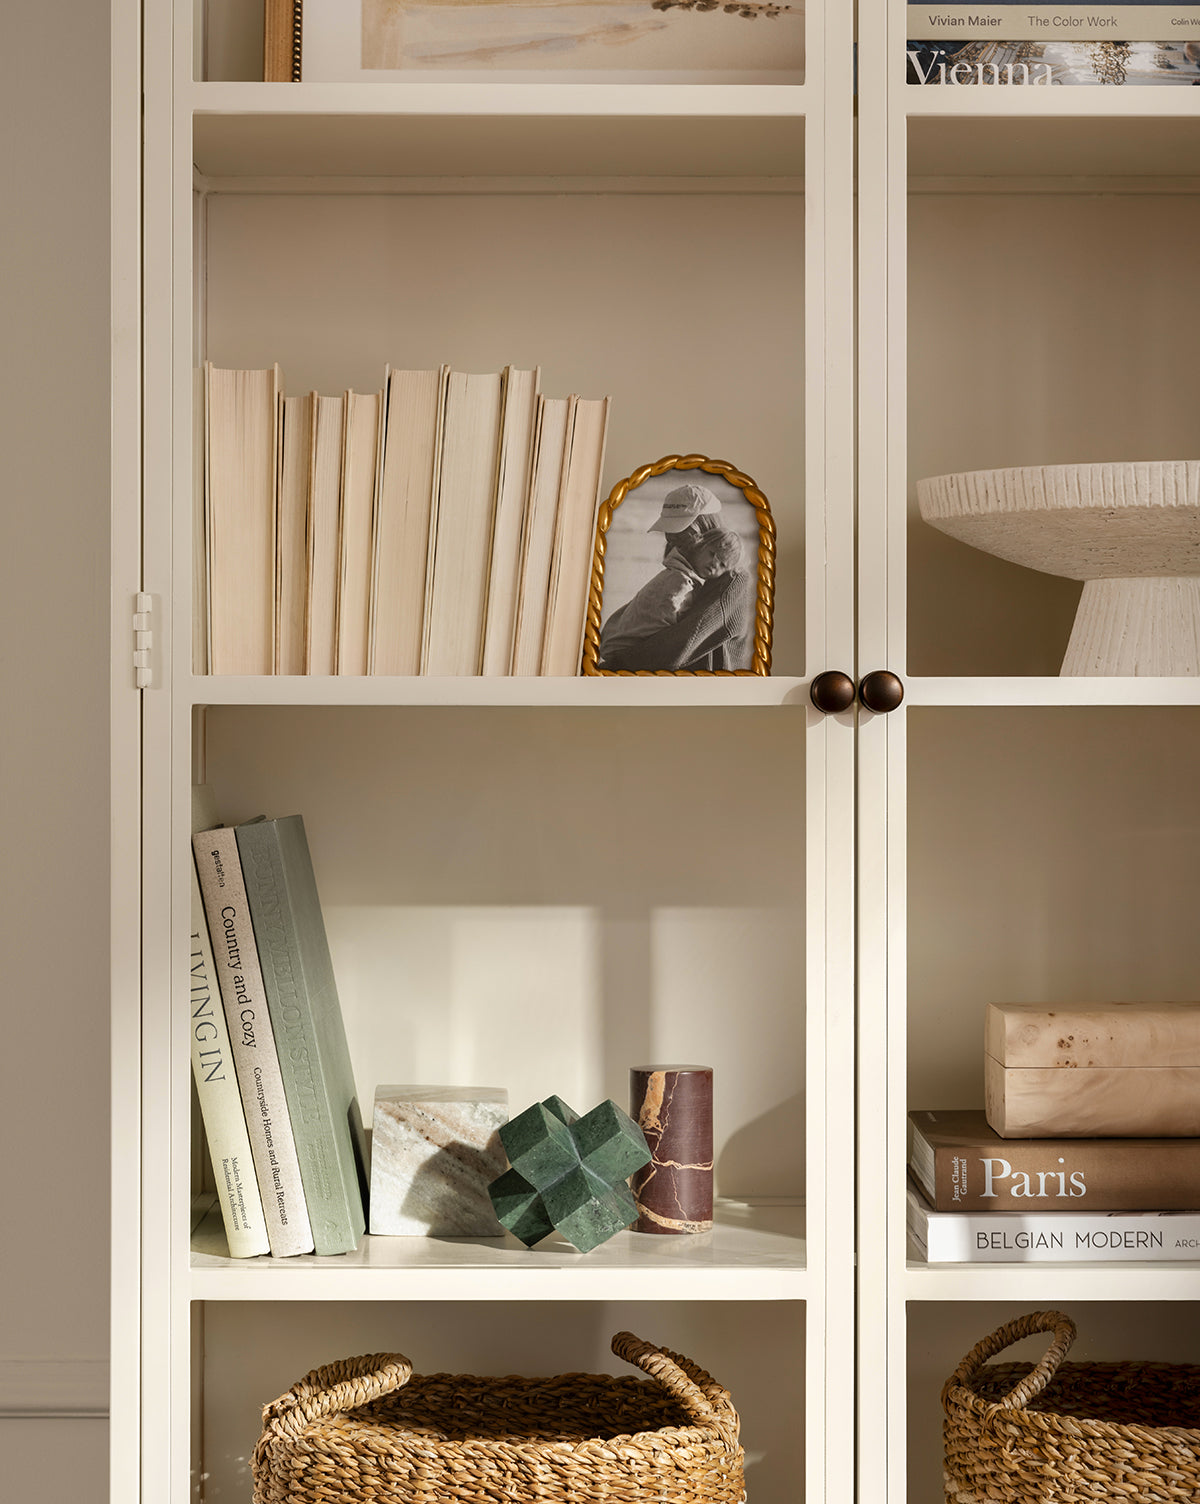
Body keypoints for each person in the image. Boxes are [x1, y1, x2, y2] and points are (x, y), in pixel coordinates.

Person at [598, 527, 744, 667]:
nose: (714, 563)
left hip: (614, 642)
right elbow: (663, 628)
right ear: (700, 545)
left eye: (722, 564)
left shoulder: (676, 572)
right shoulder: (680, 582)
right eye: (712, 554)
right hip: (626, 651)